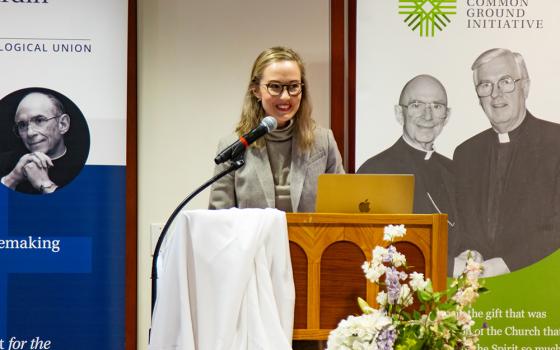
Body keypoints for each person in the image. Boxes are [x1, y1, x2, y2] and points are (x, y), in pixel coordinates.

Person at [453, 48, 560, 272]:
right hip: (480, 293)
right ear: (478, 96)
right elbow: (463, 226)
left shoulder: (556, 142)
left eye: (506, 81)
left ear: (525, 86)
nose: (496, 94)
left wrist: (506, 265)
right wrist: (469, 253)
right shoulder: (465, 154)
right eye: (486, 85)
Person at [209, 46, 344, 212]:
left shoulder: (324, 141)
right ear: (256, 91)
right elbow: (218, 216)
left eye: (293, 86)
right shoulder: (233, 145)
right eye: (275, 86)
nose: (286, 96)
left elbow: (340, 210)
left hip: (312, 238)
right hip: (254, 238)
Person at [357, 74, 456, 227]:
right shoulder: (373, 171)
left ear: (446, 116)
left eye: (436, 106)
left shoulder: (454, 170)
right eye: (416, 105)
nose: (427, 116)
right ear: (399, 114)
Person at [0, 92, 83, 194]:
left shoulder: (85, 167)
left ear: (62, 124)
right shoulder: (3, 163)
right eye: (22, 125)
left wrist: (45, 184)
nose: (30, 133)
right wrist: (11, 179)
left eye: (39, 120)